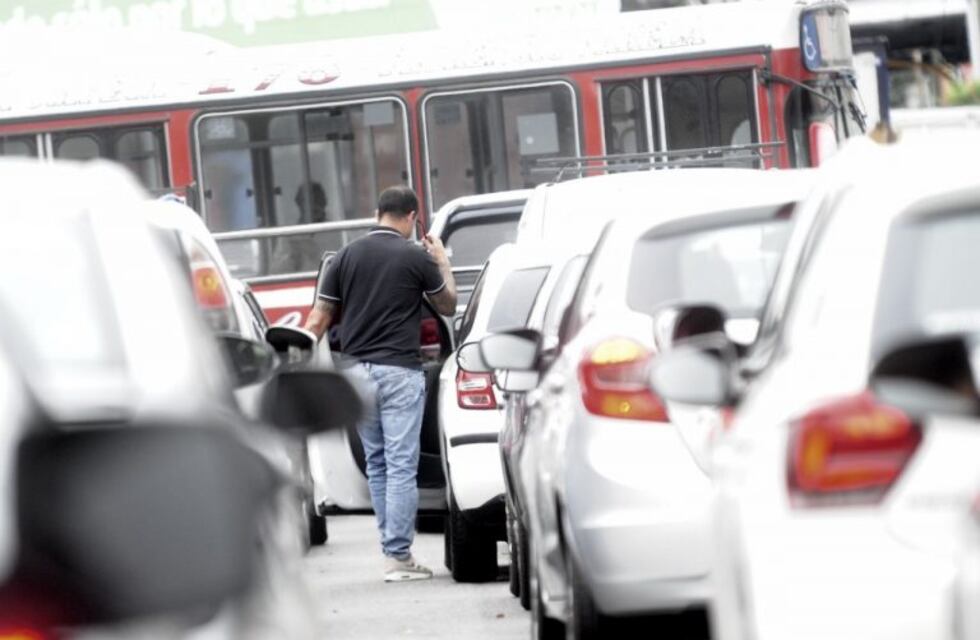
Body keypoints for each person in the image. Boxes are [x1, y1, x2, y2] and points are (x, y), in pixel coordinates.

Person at [304, 186, 457, 582]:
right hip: (399, 372)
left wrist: (298, 363)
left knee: (377, 463)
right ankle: (398, 556)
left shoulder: (344, 257)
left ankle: (391, 549)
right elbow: (448, 305)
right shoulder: (415, 256)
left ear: (377, 213)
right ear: (411, 217)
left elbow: (318, 320)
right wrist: (441, 261)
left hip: (355, 372)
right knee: (403, 464)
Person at [272, 182, 329, 274]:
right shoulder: (288, 235)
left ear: (325, 203)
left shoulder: (338, 231)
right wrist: (292, 256)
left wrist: (315, 253)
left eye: (318, 201)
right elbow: (276, 271)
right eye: (309, 202)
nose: (314, 206)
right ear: (299, 205)